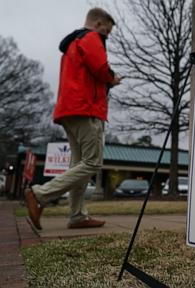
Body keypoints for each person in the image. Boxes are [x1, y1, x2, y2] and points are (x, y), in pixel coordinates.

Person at [24, 7, 120, 230]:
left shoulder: (72, 43)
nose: (107, 35)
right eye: (107, 30)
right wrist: (111, 79)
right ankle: (39, 194)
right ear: (97, 24)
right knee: (92, 163)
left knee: (79, 164)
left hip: (69, 109)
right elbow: (100, 67)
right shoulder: (92, 37)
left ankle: (77, 215)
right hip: (86, 109)